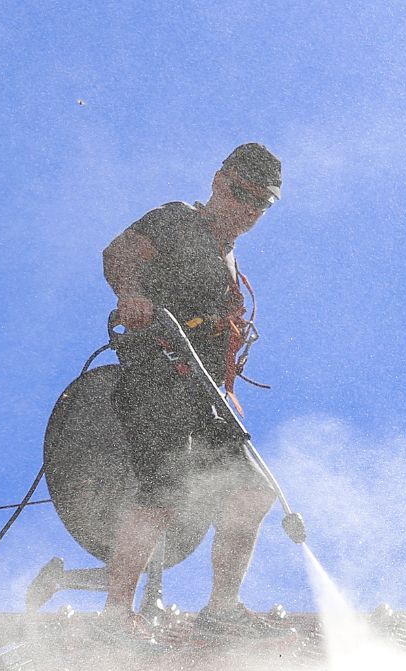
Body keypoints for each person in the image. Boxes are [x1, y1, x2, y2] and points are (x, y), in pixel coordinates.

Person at [101, 143, 289, 641]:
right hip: (156, 378)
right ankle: (115, 619)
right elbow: (119, 254)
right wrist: (131, 295)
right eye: (241, 194)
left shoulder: (229, 260)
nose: (247, 210)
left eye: (261, 204)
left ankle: (221, 610)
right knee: (162, 492)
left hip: (205, 394)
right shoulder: (177, 220)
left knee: (253, 490)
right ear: (218, 182)